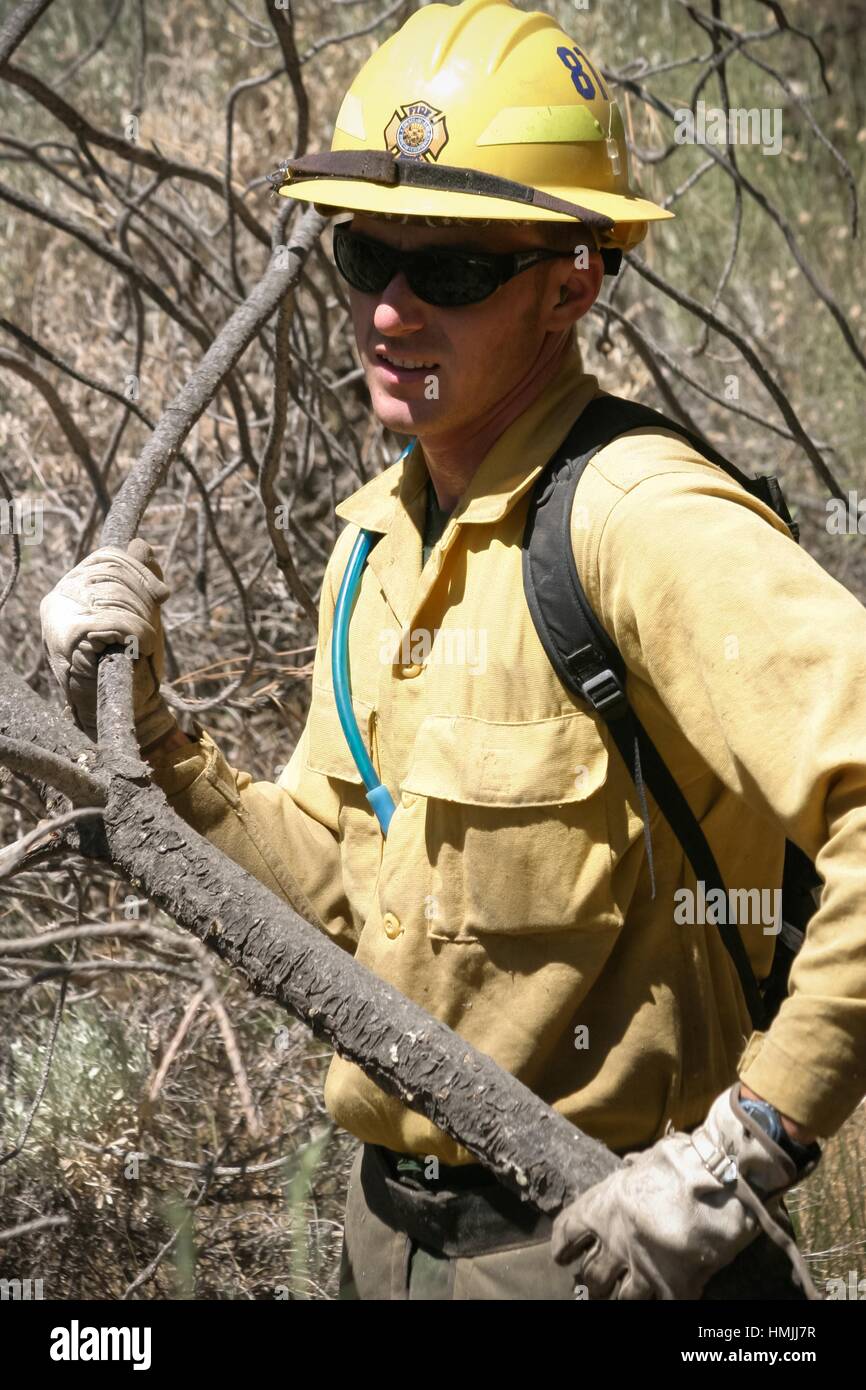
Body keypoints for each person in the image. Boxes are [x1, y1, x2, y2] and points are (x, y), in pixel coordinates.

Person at [40, 0, 866, 1301]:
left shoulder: (641, 523)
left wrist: (745, 1144)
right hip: (385, 1236)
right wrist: (138, 728)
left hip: (605, 1252)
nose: (389, 310)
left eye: (455, 270)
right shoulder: (374, 547)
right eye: (365, 255)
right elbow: (329, 884)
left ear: (569, 284)